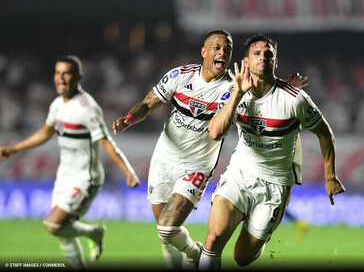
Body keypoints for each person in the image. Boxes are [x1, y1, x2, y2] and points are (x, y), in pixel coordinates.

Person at [112, 29, 309, 271]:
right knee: (165, 236)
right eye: (217, 48)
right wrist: (130, 118)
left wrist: (285, 90)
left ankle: (195, 253)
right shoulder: (180, 76)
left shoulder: (234, 87)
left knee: (167, 227)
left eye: (227, 50)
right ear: (204, 52)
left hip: (196, 167)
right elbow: (147, 104)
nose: (222, 53)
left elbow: (263, 93)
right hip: (163, 160)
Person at [199, 34, 345, 270]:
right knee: (214, 238)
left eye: (268, 54)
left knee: (242, 258)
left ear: (275, 62)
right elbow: (214, 132)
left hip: (275, 185)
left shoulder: (295, 99)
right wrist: (237, 94)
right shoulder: (232, 90)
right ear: (246, 62)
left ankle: (262, 236)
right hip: (239, 175)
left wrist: (330, 176)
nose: (263, 58)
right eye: (257, 53)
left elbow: (325, 133)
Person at [0, 55, 140, 270]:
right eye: (58, 73)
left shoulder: (87, 108)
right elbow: (46, 133)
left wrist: (128, 171)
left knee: (53, 224)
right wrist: (14, 149)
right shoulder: (57, 104)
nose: (61, 78)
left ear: (78, 77)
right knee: (64, 236)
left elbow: (105, 142)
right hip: (64, 175)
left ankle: (94, 231)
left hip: (86, 178)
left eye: (67, 73)